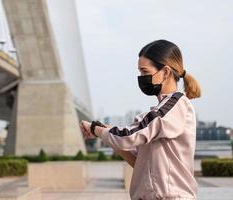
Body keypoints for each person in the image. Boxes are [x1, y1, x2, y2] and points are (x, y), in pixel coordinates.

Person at [80, 39, 201, 200]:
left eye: (144, 72)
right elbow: (140, 163)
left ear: (165, 72)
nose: (141, 77)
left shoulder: (175, 105)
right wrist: (107, 135)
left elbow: (128, 136)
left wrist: (96, 129)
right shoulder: (161, 111)